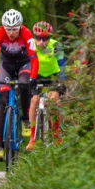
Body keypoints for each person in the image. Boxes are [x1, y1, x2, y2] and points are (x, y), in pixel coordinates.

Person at [0, 9, 38, 161]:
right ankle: (0, 147)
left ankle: (25, 120)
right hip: (7, 65)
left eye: (14, 29)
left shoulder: (26, 34)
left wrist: (33, 77)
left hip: (24, 64)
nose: (11, 33)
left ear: (20, 26)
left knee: (23, 84)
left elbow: (34, 58)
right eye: (8, 29)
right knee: (2, 100)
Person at [26, 21, 67, 151]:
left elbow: (62, 64)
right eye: (38, 38)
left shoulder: (56, 46)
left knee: (53, 98)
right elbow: (24, 63)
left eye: (45, 39)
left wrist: (62, 78)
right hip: (36, 76)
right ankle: (32, 137)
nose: (41, 42)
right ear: (34, 37)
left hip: (53, 76)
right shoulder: (30, 45)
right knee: (34, 100)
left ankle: (56, 133)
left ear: (49, 37)